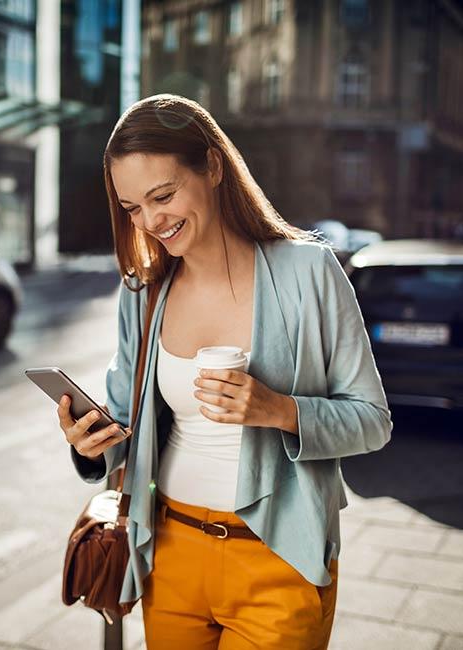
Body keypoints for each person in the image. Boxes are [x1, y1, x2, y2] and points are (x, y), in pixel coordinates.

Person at [58, 94, 392, 649]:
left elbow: (373, 421)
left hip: (279, 556)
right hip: (169, 553)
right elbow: (123, 424)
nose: (151, 220)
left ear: (212, 166)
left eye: (162, 195)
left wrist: (278, 410)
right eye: (133, 208)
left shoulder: (309, 271)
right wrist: (89, 443)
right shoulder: (143, 292)